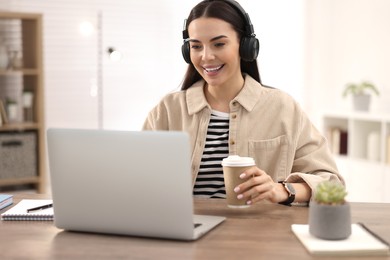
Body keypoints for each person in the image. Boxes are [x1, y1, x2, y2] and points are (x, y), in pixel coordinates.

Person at [143, 0, 344, 206]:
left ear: (246, 46)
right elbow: (138, 177)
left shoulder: (283, 108)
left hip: (256, 234)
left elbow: (331, 182)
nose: (206, 56)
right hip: (186, 230)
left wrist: (282, 189)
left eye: (219, 44)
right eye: (196, 46)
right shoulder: (168, 110)